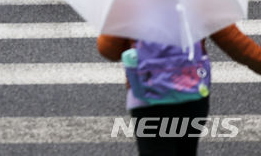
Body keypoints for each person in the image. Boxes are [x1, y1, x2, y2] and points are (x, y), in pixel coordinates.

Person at [98, 24, 261, 155]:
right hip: (191, 96)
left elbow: (108, 50)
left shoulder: (130, 2)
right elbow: (237, 44)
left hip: (148, 99)